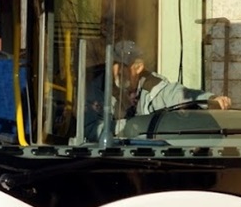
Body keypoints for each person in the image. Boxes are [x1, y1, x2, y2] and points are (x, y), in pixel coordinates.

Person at [84, 40, 231, 139]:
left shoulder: (154, 86)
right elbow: (91, 129)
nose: (115, 70)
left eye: (121, 65)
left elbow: (180, 95)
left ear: (138, 67)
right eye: (112, 64)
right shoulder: (98, 89)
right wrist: (133, 126)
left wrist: (211, 100)